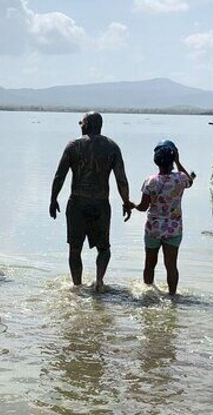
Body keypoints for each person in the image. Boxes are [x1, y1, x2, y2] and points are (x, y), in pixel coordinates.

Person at [49, 111, 133, 291]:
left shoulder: (73, 146)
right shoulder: (112, 147)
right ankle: (99, 281)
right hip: (100, 204)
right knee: (103, 248)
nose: (80, 126)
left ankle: (77, 285)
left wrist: (53, 198)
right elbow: (121, 180)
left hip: (77, 203)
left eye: (81, 123)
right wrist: (126, 202)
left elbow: (59, 176)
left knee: (75, 248)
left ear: (86, 125)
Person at [130, 140, 195, 295]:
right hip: (174, 230)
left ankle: (147, 292)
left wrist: (131, 204)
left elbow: (143, 207)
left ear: (156, 161)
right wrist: (178, 161)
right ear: (173, 161)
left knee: (149, 264)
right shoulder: (180, 179)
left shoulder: (150, 181)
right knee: (171, 265)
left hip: (153, 229)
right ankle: (172, 296)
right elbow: (190, 181)